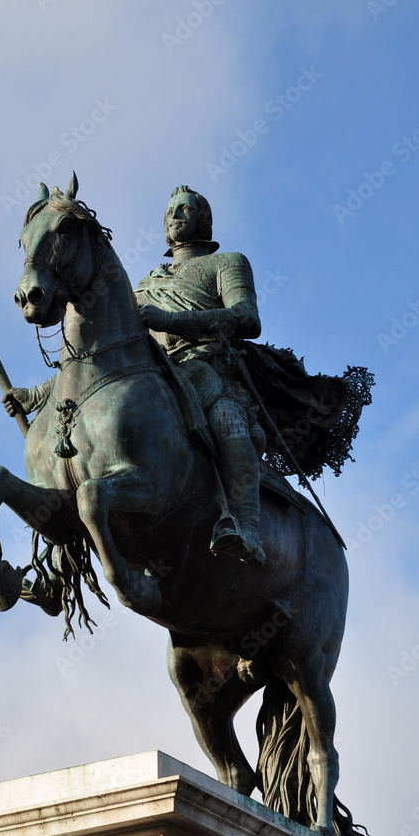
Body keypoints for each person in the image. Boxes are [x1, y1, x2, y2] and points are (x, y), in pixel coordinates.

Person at [135, 186, 267, 567]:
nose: (174, 215)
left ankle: (247, 527)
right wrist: (43, 393)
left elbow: (246, 318)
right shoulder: (142, 286)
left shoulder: (226, 262)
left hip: (209, 371)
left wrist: (172, 322)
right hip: (157, 375)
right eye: (169, 211)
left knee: (227, 419)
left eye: (184, 209)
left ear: (202, 219)